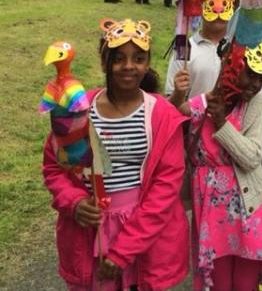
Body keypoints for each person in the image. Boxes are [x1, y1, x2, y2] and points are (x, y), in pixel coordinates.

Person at [43, 18, 189, 290]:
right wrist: (74, 202)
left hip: (144, 234)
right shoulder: (78, 109)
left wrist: (124, 250)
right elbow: (54, 168)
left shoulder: (162, 116)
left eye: (139, 58)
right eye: (119, 58)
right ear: (104, 61)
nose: (129, 66)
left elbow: (165, 188)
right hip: (90, 232)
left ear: (147, 63)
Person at [181, 42, 262, 290]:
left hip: (248, 208)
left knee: (245, 283)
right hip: (211, 210)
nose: (255, 84)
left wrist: (221, 124)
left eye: (261, 78)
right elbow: (173, 120)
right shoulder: (204, 103)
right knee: (219, 282)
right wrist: (187, 99)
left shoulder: (255, 103)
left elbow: (252, 157)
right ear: (231, 67)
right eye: (250, 73)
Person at [166, 0, 234, 107]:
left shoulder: (237, 47)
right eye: (211, 3)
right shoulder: (184, 48)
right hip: (192, 124)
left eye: (224, 4)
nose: (218, 10)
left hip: (229, 126)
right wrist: (178, 93)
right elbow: (170, 104)